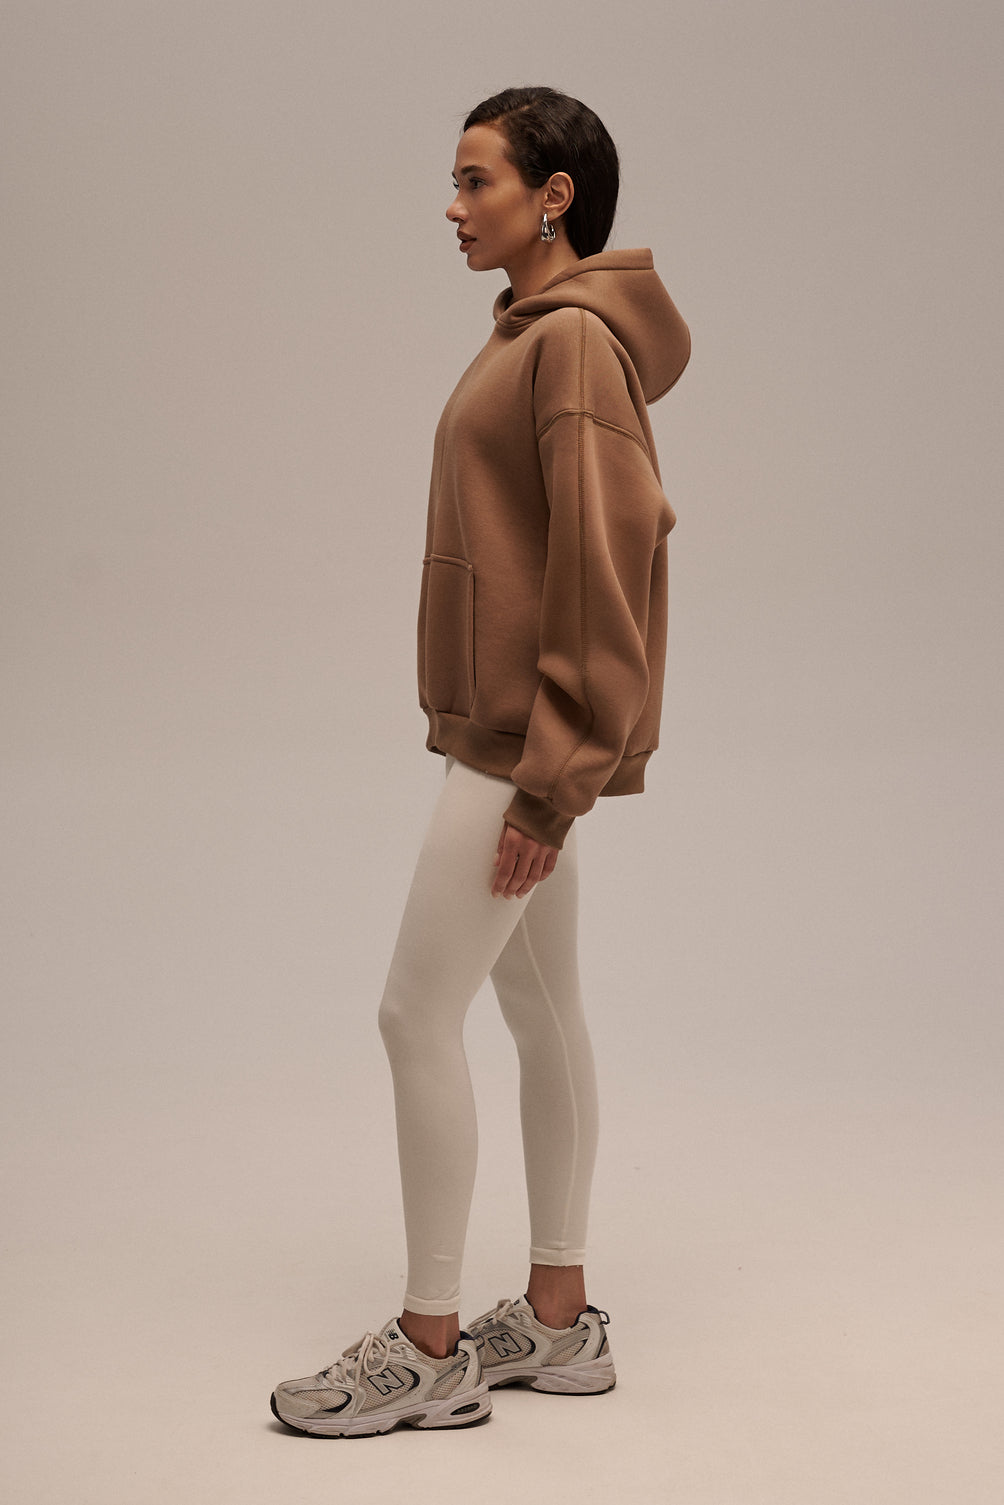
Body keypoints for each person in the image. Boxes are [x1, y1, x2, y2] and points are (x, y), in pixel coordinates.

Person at [270, 85, 690, 1438]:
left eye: (476, 181)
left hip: (520, 749)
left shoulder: (568, 345)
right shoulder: (532, 335)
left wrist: (553, 783)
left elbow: (607, 564)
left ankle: (431, 1343)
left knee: (414, 1015)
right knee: (540, 1013)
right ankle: (559, 1320)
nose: (452, 208)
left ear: (553, 196)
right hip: (513, 739)